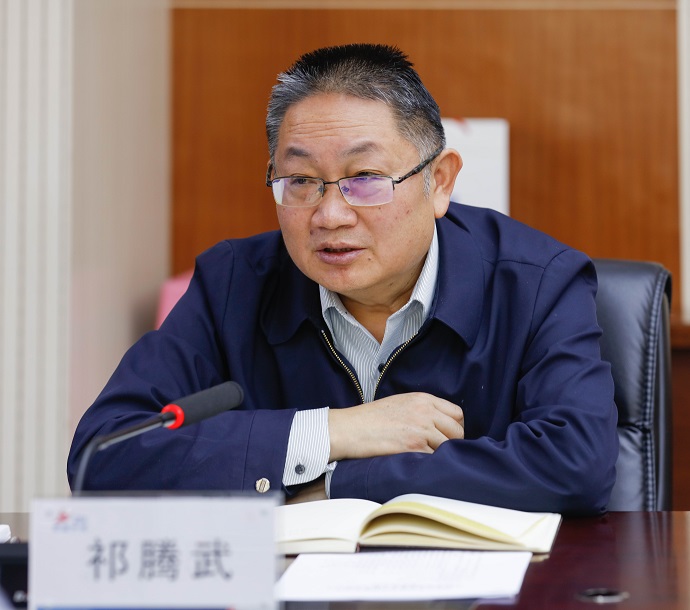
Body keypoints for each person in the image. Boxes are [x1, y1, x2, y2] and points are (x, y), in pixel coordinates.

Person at [67, 43, 618, 515]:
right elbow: (104, 455)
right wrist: (333, 431)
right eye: (301, 180)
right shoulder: (233, 283)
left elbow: (576, 464)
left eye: (365, 177)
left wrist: (340, 484)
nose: (329, 215)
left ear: (441, 181)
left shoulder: (539, 282)